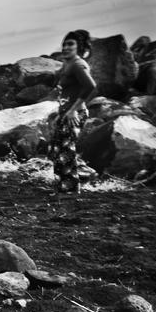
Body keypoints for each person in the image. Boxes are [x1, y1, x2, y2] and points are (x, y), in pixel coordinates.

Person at [50, 29, 98, 193]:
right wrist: (60, 113)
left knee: (65, 152)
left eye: (70, 44)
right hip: (66, 113)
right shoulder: (68, 64)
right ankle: (71, 182)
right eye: (64, 44)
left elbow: (90, 86)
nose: (66, 47)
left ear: (79, 47)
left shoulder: (78, 64)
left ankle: (70, 190)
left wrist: (73, 111)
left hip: (74, 113)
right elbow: (67, 93)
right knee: (56, 150)